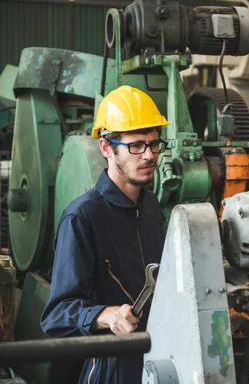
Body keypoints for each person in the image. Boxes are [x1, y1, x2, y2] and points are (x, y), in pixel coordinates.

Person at [41, 86, 169, 383]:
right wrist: (106, 315)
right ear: (105, 148)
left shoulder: (150, 206)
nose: (149, 155)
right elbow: (56, 315)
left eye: (154, 144)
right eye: (136, 146)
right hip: (112, 368)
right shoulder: (82, 218)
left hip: (159, 360)